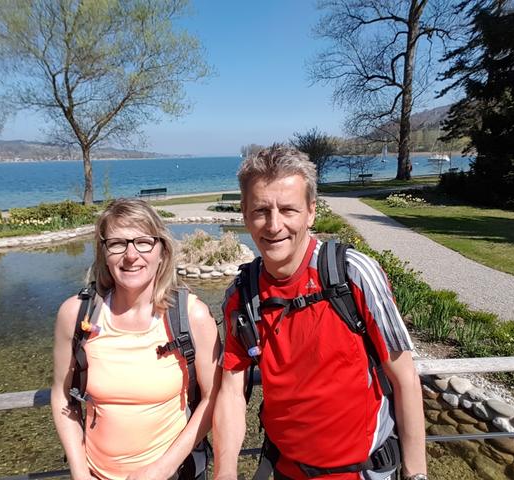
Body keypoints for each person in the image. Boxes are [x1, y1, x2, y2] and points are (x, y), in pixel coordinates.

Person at [212, 146, 427, 480]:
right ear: (244, 214)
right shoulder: (241, 296)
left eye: (288, 210)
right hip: (287, 470)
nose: (274, 225)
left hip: (364, 473)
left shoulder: (352, 274)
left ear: (311, 212)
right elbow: (230, 392)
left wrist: (417, 475)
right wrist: (224, 473)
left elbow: (406, 379)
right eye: (260, 210)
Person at [51, 198, 221, 480]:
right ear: (103, 252)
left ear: (162, 251)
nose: (131, 255)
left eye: (143, 242)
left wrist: (161, 469)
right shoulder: (75, 315)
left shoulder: (192, 317)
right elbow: (61, 396)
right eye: (117, 243)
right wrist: (80, 472)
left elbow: (214, 397)